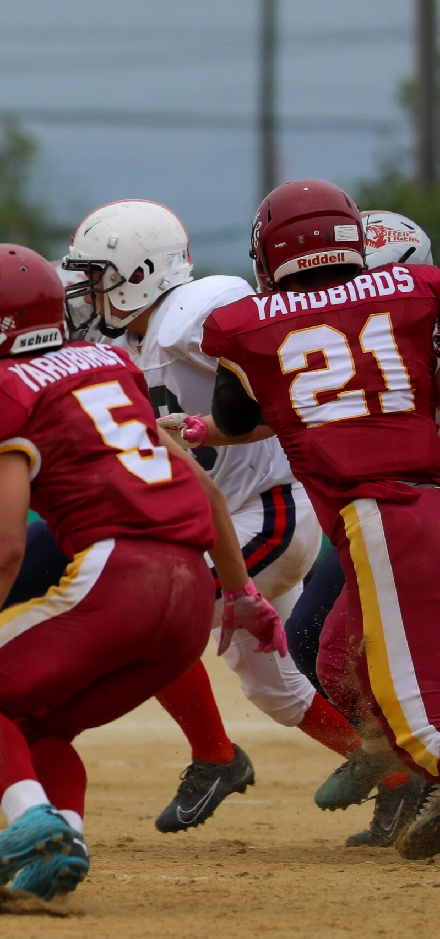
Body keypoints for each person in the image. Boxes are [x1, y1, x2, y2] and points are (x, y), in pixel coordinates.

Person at [0, 243, 281, 901]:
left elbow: (3, 547)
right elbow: (206, 490)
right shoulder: (111, 362)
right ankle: (62, 843)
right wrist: (243, 595)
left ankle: (30, 821)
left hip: (118, 574)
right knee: (41, 725)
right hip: (192, 594)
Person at [65, 200, 363, 834]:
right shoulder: (134, 338)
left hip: (270, 509)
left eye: (97, 274)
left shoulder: (199, 308)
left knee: (148, 621)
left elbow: (265, 339)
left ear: (141, 271)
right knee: (272, 687)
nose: (88, 291)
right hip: (226, 519)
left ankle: (215, 755)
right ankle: (397, 775)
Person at [191, 179, 440, 860]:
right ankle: (413, 776)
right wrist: (198, 428)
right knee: (334, 653)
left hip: (386, 509)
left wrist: (205, 426)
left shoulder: (254, 323)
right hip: (398, 506)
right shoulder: (416, 296)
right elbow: (250, 419)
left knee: (416, 714)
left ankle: (419, 765)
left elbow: (246, 412)